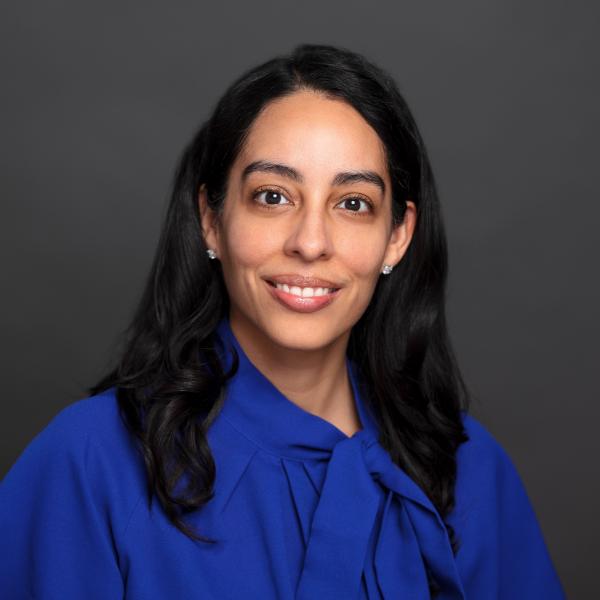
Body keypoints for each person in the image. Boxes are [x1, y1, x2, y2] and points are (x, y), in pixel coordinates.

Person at [0, 44, 565, 599]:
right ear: (211, 219)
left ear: (397, 235)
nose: (311, 243)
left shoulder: (470, 471)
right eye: (273, 196)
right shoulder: (89, 463)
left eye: (352, 204)